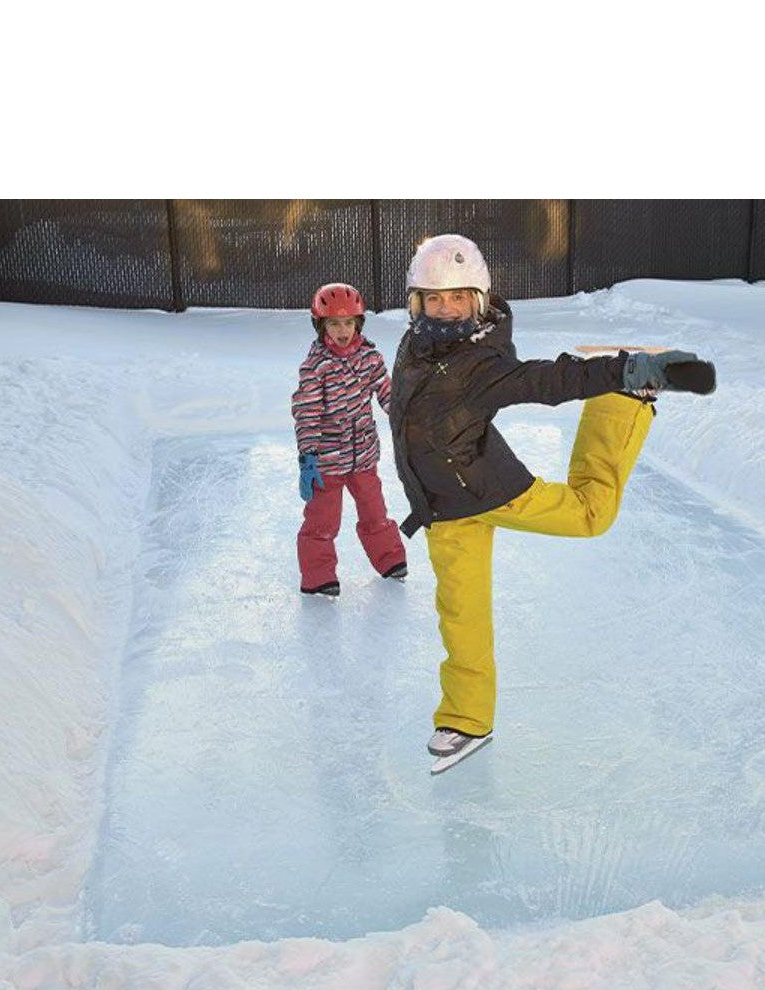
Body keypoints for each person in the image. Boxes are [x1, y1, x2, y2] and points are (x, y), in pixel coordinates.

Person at [388, 234, 715, 761]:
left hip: (492, 491)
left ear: (477, 300)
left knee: (590, 515)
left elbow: (553, 379)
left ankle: (625, 402)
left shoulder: (483, 366)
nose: (444, 308)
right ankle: (467, 720)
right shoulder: (416, 346)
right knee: (461, 619)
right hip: (444, 509)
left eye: (456, 298)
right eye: (433, 297)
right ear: (416, 301)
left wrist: (632, 368)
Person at [292, 282, 407, 596]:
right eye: (334, 324)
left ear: (358, 323)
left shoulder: (369, 357)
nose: (342, 331)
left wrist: (406, 418)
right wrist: (308, 455)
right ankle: (318, 577)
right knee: (322, 521)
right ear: (321, 326)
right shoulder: (317, 366)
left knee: (375, 511)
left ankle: (390, 560)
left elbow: (386, 393)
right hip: (327, 462)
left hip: (364, 456)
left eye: (348, 323)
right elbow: (307, 411)